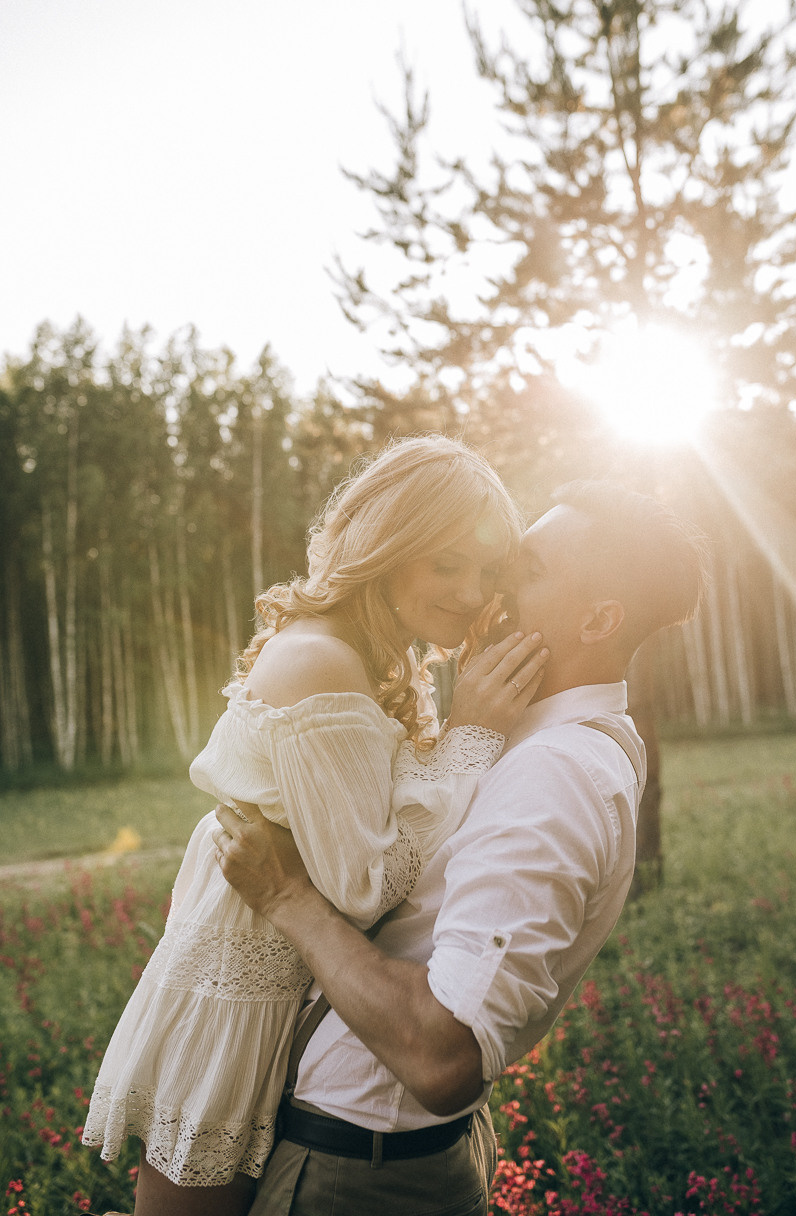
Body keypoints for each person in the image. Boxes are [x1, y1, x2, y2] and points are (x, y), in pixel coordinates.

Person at [212, 480, 709, 1216]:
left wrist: (291, 901)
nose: (491, 591)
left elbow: (443, 1056)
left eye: (526, 571)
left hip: (360, 1172)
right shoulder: (549, 743)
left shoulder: (557, 773)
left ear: (599, 618)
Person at [82, 435, 549, 1216]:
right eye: (446, 563)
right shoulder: (322, 660)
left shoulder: (373, 655)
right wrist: (470, 738)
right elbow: (365, 887)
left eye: (487, 572)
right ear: (385, 547)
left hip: (301, 987)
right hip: (246, 992)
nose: (471, 593)